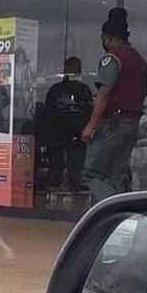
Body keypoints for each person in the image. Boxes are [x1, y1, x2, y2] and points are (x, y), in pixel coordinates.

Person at [82, 8, 147, 205]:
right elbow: (143, 94)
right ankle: (119, 222)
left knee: (91, 173)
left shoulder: (112, 58)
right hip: (132, 123)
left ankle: (110, 208)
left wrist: (91, 126)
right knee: (116, 175)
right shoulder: (141, 61)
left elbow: (104, 94)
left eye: (104, 39)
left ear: (108, 38)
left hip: (113, 123)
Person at [44, 57, 93, 193]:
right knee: (72, 163)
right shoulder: (84, 90)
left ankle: (58, 184)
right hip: (71, 132)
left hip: (61, 132)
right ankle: (70, 184)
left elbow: (48, 112)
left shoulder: (56, 89)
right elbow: (89, 111)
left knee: (60, 163)